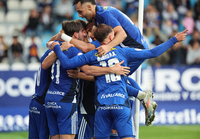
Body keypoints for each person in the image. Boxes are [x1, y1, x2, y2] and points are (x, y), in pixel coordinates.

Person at [49, 24, 187, 138]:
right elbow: (153, 53)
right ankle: (141, 95)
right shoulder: (124, 52)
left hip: (102, 107)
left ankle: (142, 95)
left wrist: (57, 47)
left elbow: (67, 64)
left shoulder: (92, 54)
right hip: (121, 105)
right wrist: (174, 39)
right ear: (110, 37)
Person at [29, 40, 74, 139]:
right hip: (43, 102)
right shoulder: (56, 57)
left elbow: (49, 43)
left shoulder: (47, 53)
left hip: (35, 101)